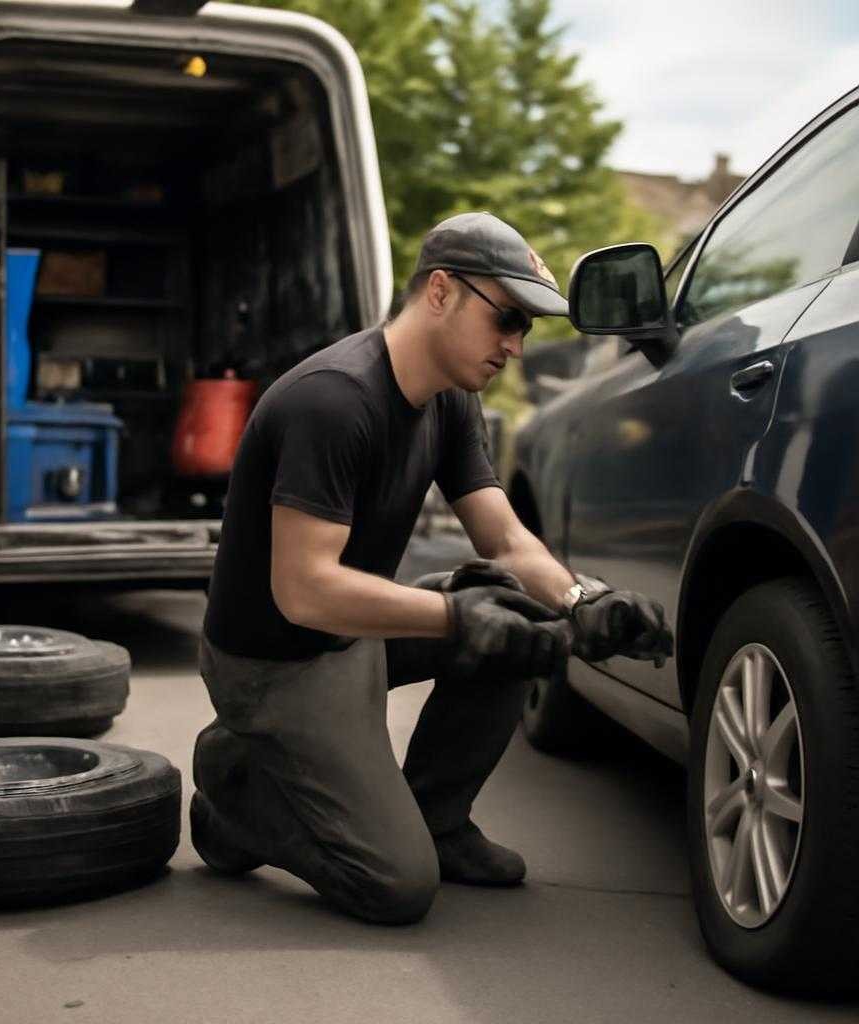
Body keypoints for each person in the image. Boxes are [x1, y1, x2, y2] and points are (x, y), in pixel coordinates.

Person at [192, 212, 672, 925]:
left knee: (520, 611)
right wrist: (454, 616)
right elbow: (303, 591)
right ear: (441, 291)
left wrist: (580, 601)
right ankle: (234, 793)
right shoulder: (333, 399)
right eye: (506, 318)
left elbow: (506, 540)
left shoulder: (450, 401)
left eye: (526, 329)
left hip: (351, 635)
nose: (514, 345)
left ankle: (438, 821)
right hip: (274, 663)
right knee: (395, 886)